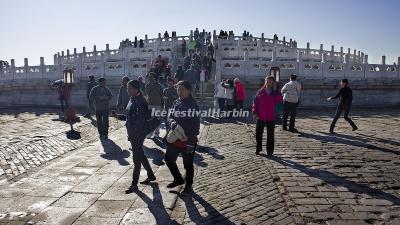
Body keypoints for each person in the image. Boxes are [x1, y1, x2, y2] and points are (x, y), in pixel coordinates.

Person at [165, 80, 200, 194]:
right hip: (175, 138)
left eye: (183, 89)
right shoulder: (176, 102)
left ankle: (188, 186)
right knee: (168, 159)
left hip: (188, 140)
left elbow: (196, 125)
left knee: (187, 164)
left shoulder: (193, 105)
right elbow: (169, 116)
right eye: (178, 89)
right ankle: (178, 179)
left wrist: (191, 143)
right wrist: (172, 123)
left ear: (189, 90)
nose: (180, 92)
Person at [125, 80, 156, 193]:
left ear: (136, 89)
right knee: (140, 155)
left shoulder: (141, 101)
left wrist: (136, 133)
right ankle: (151, 175)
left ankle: (134, 184)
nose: (128, 90)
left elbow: (141, 121)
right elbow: (130, 117)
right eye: (128, 88)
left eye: (129, 88)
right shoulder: (132, 99)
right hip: (132, 133)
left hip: (137, 134)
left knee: (136, 159)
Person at [252, 76, 283, 156]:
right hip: (260, 116)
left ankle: (269, 150)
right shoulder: (260, 91)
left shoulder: (275, 93)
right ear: (265, 82)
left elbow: (279, 100)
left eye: (271, 82)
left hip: (271, 116)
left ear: (273, 83)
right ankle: (258, 148)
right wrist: (255, 111)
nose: (269, 83)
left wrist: (277, 91)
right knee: (258, 133)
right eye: (268, 81)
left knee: (270, 135)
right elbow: (255, 103)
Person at [145, 72, 163, 138]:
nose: (150, 78)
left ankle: (157, 134)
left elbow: (162, 95)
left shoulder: (159, 86)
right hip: (150, 104)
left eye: (151, 77)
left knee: (157, 119)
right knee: (150, 120)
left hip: (157, 104)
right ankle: (150, 133)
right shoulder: (147, 85)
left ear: (155, 78)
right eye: (149, 77)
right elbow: (147, 94)